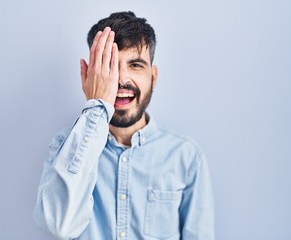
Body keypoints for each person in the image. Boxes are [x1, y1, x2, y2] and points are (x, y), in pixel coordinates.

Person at [33, 11, 215, 240]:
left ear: (154, 77)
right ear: (88, 77)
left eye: (136, 65)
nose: (121, 79)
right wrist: (97, 106)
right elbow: (59, 226)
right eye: (109, 66)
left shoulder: (187, 156)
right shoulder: (64, 146)